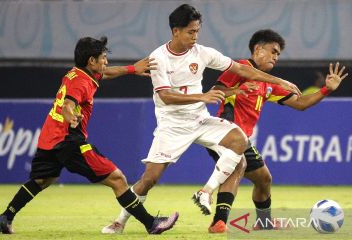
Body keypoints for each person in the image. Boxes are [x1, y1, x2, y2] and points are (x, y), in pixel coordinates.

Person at [101, 4, 302, 234]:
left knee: (239, 140)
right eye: (190, 32)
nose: (195, 37)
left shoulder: (203, 52)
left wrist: (279, 81)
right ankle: (120, 221)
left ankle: (205, 192)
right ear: (175, 31)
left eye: (197, 31)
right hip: (172, 126)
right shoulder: (158, 58)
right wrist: (203, 96)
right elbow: (166, 97)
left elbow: (243, 70)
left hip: (200, 120)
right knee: (149, 179)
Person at [0, 36, 179, 235]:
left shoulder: (77, 73)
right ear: (92, 61)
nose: (106, 61)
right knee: (117, 179)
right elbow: (67, 105)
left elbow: (106, 73)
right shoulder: (81, 83)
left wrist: (132, 69)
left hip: (50, 138)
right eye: (103, 57)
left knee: (42, 180)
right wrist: (71, 117)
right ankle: (152, 223)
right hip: (68, 140)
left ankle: (6, 216)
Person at [204, 29, 348, 233]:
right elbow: (215, 92)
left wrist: (327, 89)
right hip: (224, 133)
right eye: (273, 51)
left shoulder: (267, 84)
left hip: (242, 139)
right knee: (237, 165)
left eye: (278, 54)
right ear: (257, 49)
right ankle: (219, 222)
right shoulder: (240, 68)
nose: (275, 57)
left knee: (264, 179)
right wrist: (237, 91)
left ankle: (263, 222)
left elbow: (300, 103)